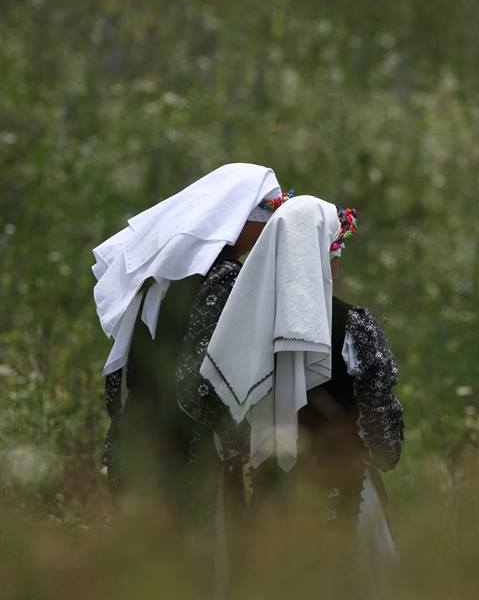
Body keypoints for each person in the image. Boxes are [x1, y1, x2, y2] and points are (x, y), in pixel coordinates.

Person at [200, 197, 403, 591]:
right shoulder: (354, 325)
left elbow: (226, 425)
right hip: (348, 495)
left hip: (272, 504)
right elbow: (385, 441)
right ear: (325, 257)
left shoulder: (240, 331)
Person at [90, 163, 291, 499]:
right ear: (242, 219)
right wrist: (241, 441)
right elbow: (198, 382)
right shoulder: (225, 277)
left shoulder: (159, 273)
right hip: (185, 455)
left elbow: (119, 370)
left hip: (135, 439)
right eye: (266, 222)